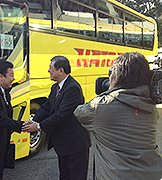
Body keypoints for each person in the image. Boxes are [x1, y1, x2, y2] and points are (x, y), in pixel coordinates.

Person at [74, 51, 162, 179]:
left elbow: (78, 112)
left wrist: (109, 92)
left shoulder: (100, 106)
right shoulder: (150, 107)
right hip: (150, 174)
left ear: (117, 76)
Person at [22, 56, 91, 180]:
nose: (49, 71)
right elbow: (47, 107)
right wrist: (33, 120)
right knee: (64, 175)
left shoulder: (72, 88)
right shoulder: (56, 87)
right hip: (63, 143)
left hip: (75, 143)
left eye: (50, 68)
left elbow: (61, 115)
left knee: (76, 176)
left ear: (61, 70)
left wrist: (38, 126)